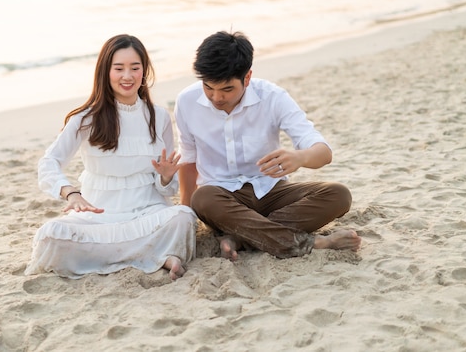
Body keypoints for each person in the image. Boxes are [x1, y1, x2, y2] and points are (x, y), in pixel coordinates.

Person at [174, 31, 361, 261]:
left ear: (247, 77)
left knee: (338, 195)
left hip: (271, 192)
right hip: (221, 200)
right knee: (202, 198)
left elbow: (323, 152)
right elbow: (188, 159)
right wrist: (186, 215)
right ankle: (312, 243)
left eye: (226, 89)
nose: (216, 97)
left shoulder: (272, 97)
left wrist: (299, 158)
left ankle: (242, 238)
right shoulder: (186, 101)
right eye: (208, 87)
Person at [24, 34, 197, 280]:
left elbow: (166, 190)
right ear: (106, 72)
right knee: (51, 235)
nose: (127, 76)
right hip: (98, 217)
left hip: (146, 212)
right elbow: (49, 162)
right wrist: (70, 193)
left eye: (135, 68)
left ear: (144, 72)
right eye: (119, 69)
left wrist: (167, 178)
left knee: (183, 217)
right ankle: (152, 256)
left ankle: (136, 255)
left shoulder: (159, 117)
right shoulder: (86, 118)